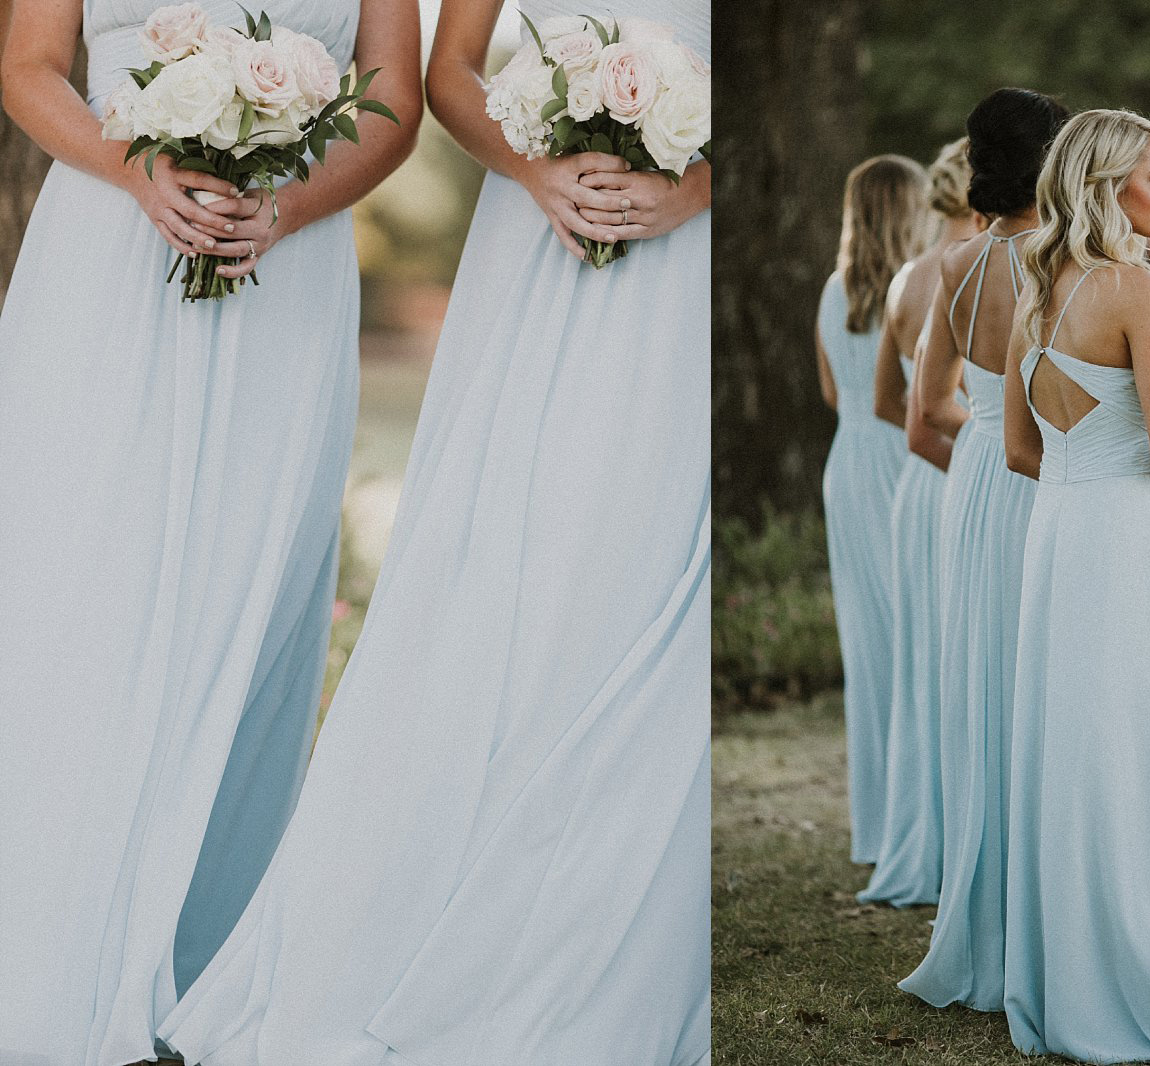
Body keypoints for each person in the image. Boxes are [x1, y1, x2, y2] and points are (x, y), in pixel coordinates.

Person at [159, 3, 710, 1062]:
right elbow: (451, 72)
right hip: (534, 237)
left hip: (684, 251)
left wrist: (695, 188)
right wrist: (536, 168)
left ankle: (607, 939)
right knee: (505, 563)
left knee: (638, 570)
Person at [0, 1, 420, 1063]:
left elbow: (395, 102)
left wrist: (285, 207)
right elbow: (30, 67)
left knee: (250, 595)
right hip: (105, 248)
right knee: (76, 586)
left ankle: (200, 953)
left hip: (285, 263)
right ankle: (48, 951)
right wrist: (137, 167)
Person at [1002, 108, 1150, 1066]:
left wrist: (1093, 482)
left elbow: (1021, 450)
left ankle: (1068, 971)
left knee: (1071, 746)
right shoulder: (1136, 288)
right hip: (1124, 535)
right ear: (1107, 187)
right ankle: (1134, 971)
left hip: (1058, 534)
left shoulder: (1037, 286)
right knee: (1132, 742)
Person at [896, 86, 1068, 1009]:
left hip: (971, 483)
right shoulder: (1068, 263)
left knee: (984, 698)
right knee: (1044, 693)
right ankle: (1049, 920)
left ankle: (984, 926)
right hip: (1043, 476)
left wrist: (981, 446)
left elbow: (926, 418)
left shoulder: (955, 265)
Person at [859, 137, 982, 907]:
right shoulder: (973, 274)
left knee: (923, 664)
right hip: (954, 484)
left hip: (913, 492)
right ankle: (961, 843)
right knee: (961, 666)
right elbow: (936, 414)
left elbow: (883, 402)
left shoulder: (906, 277)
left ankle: (921, 841)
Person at [812, 153, 928, 864]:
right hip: (900, 463)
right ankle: (917, 825)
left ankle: (880, 828)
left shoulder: (832, 291)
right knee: (915, 642)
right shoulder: (915, 291)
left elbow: (832, 391)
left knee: (871, 649)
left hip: (847, 464)